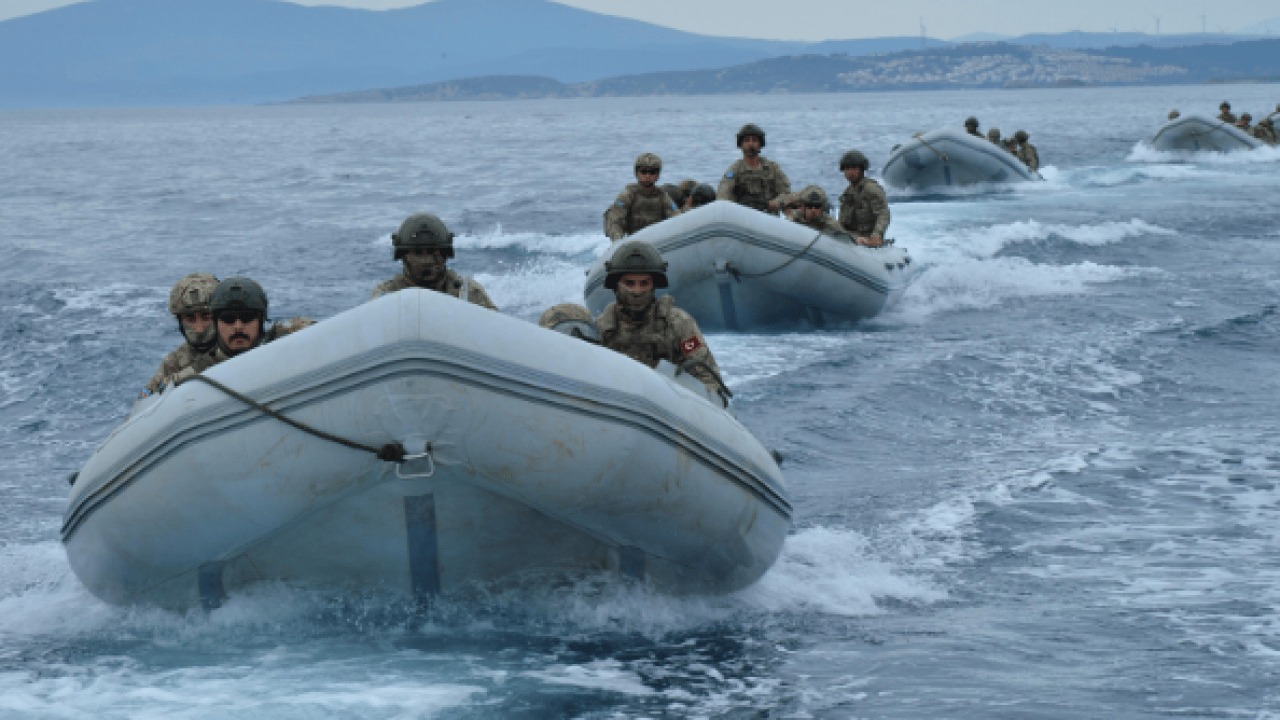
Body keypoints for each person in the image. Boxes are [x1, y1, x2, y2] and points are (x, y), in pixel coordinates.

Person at [594, 240, 723, 397]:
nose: (637, 291)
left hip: (671, 403)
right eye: (629, 283)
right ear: (616, 285)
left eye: (644, 283)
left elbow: (706, 377)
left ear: (654, 285)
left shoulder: (678, 324)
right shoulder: (601, 330)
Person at [163, 277, 314, 387]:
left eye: (247, 318)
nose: (238, 327)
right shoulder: (198, 373)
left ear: (261, 321)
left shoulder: (285, 338)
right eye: (228, 319)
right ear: (216, 324)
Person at [370, 212, 499, 309]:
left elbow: (494, 329)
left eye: (433, 252)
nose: (427, 260)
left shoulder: (467, 293)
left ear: (445, 254)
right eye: (418, 253)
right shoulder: (387, 295)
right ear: (403, 256)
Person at [143, 272, 219, 395]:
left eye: (206, 317)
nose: (199, 329)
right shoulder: (173, 363)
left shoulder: (238, 345)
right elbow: (145, 401)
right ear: (180, 323)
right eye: (190, 319)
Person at [716, 123, 791, 215]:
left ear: (760, 144)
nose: (751, 144)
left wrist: (776, 202)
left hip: (768, 216)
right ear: (741, 144)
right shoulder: (734, 170)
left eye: (754, 140)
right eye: (747, 140)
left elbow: (786, 192)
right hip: (742, 216)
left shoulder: (772, 168)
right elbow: (723, 193)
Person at [604, 153, 680, 241]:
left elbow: (676, 217)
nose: (648, 175)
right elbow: (615, 221)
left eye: (652, 172)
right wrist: (618, 240)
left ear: (658, 175)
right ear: (637, 173)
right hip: (634, 242)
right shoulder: (628, 195)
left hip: (658, 240)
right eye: (643, 172)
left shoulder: (662, 196)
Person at [836, 150, 890, 247]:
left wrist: (877, 235)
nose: (850, 172)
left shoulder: (870, 188)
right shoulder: (848, 192)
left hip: (867, 238)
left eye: (854, 168)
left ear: (862, 169)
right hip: (849, 237)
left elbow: (883, 213)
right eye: (847, 169)